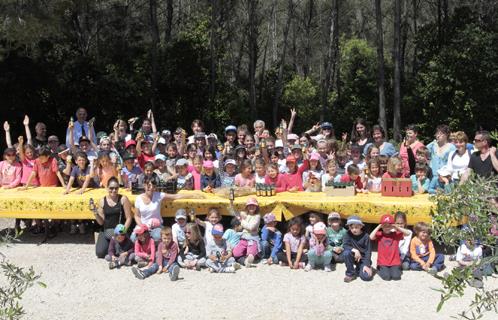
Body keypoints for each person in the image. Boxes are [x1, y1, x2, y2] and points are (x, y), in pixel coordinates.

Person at [133, 175, 204, 241]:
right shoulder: (139, 198)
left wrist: (192, 196)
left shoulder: (159, 195)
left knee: (158, 236)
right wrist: (142, 226)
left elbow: (176, 196)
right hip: (143, 225)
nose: (151, 188)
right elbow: (136, 215)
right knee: (133, 238)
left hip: (156, 226)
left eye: (153, 186)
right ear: (144, 185)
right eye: (148, 186)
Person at [94, 177, 133, 258]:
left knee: (123, 251)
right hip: (107, 231)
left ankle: (112, 247)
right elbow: (101, 222)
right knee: (100, 253)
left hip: (120, 231)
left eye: (116, 188)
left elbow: (129, 218)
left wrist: (122, 232)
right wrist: (96, 214)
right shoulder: (102, 201)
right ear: (107, 188)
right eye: (111, 188)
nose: (114, 190)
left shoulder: (123, 199)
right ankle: (111, 246)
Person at [370, 214, 411, 281]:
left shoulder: (396, 234)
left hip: (394, 261)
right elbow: (371, 237)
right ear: (382, 226)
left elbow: (408, 233)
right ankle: (379, 269)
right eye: (385, 226)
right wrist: (379, 226)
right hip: (383, 262)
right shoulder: (380, 234)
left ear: (392, 226)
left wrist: (396, 226)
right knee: (387, 277)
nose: (387, 228)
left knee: (396, 277)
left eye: (389, 226)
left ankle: (391, 270)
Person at [232, 197, 261, 267]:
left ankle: (251, 256)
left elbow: (251, 227)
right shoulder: (245, 215)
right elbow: (234, 212)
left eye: (253, 205)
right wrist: (231, 203)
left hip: (252, 238)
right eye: (249, 206)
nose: (251, 207)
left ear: (256, 207)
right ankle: (245, 261)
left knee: (251, 252)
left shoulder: (257, 216)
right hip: (244, 238)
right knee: (236, 253)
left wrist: (241, 221)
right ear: (247, 207)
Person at [343, 216, 373, 282]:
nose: (354, 230)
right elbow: (345, 245)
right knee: (346, 253)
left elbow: (368, 251)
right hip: (353, 256)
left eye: (356, 227)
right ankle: (350, 274)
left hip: (363, 258)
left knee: (366, 277)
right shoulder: (347, 234)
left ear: (361, 226)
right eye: (351, 227)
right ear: (349, 227)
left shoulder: (366, 236)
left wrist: (366, 264)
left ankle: (361, 267)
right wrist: (355, 250)